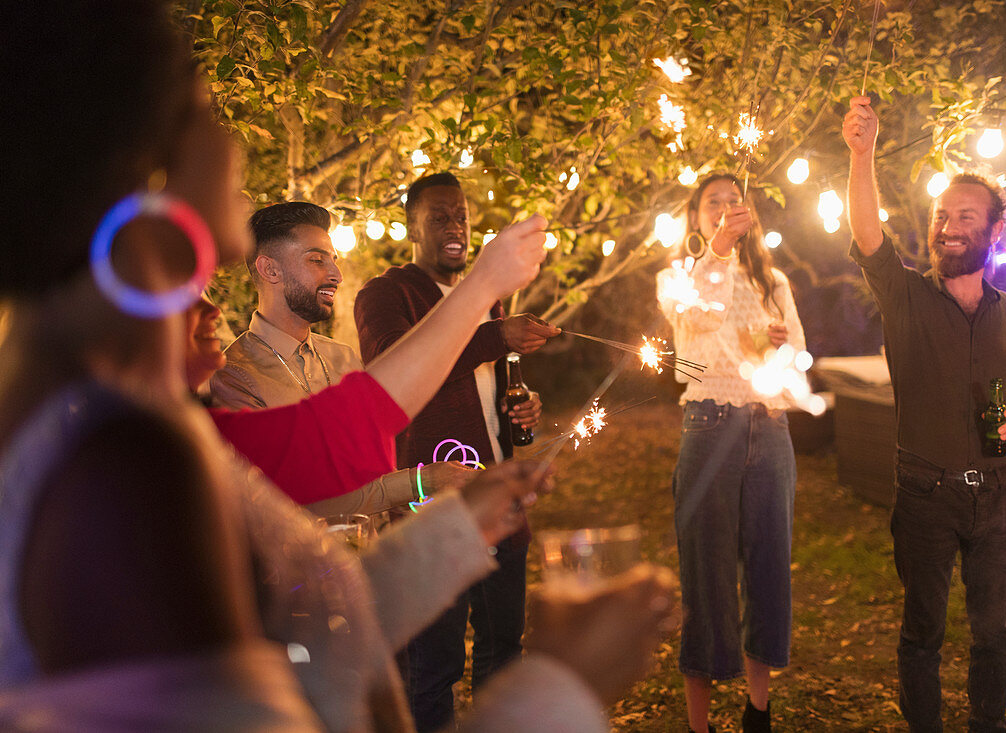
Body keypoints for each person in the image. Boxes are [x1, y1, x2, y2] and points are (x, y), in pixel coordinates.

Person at [0, 2, 678, 730]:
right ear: (148, 169)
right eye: (205, 111)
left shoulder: (114, 406)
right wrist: (565, 683)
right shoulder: (124, 464)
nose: (231, 142)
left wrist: (459, 526)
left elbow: (309, 623)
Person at [843, 97, 1006, 732]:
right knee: (922, 634)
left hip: (1000, 495)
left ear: (993, 230)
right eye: (941, 215)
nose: (948, 226)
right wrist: (862, 154)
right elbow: (869, 233)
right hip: (925, 493)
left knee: (994, 632)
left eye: (965, 216)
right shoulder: (904, 295)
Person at [356, 171, 561, 731]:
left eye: (462, 217)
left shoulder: (488, 305)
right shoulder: (387, 293)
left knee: (503, 657)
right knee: (434, 668)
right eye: (440, 217)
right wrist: (496, 337)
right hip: (432, 513)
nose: (455, 228)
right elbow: (389, 363)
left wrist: (521, 411)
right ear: (410, 226)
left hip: (500, 503)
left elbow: (485, 387)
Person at [656, 173, 805, 733]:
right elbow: (692, 336)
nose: (723, 209)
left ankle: (757, 710)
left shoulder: (776, 282)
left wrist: (783, 352)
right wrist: (717, 252)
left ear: (750, 215)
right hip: (709, 425)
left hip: (769, 433)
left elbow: (798, 354)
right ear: (695, 218)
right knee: (706, 573)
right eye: (710, 203)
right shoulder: (679, 278)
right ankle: (699, 723)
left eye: (732, 201)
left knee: (769, 567)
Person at [210, 202, 362, 410]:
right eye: (317, 260)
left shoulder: (345, 358)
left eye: (334, 261)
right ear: (270, 270)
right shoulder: (235, 375)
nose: (337, 275)